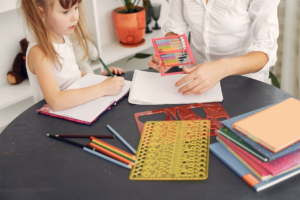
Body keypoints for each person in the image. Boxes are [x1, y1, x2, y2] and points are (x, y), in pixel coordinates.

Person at [148, 0, 279, 96]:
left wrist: (221, 68)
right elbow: (176, 27)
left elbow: (265, 51)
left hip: (244, 85)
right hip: (197, 82)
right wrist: (169, 54)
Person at [19, 0, 125, 110]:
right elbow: (56, 102)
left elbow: (74, 75)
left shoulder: (64, 37)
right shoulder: (39, 51)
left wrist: (101, 80)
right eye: (65, 12)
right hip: (53, 121)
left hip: (74, 110)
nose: (75, 17)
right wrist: (102, 88)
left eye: (76, 8)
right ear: (41, 13)